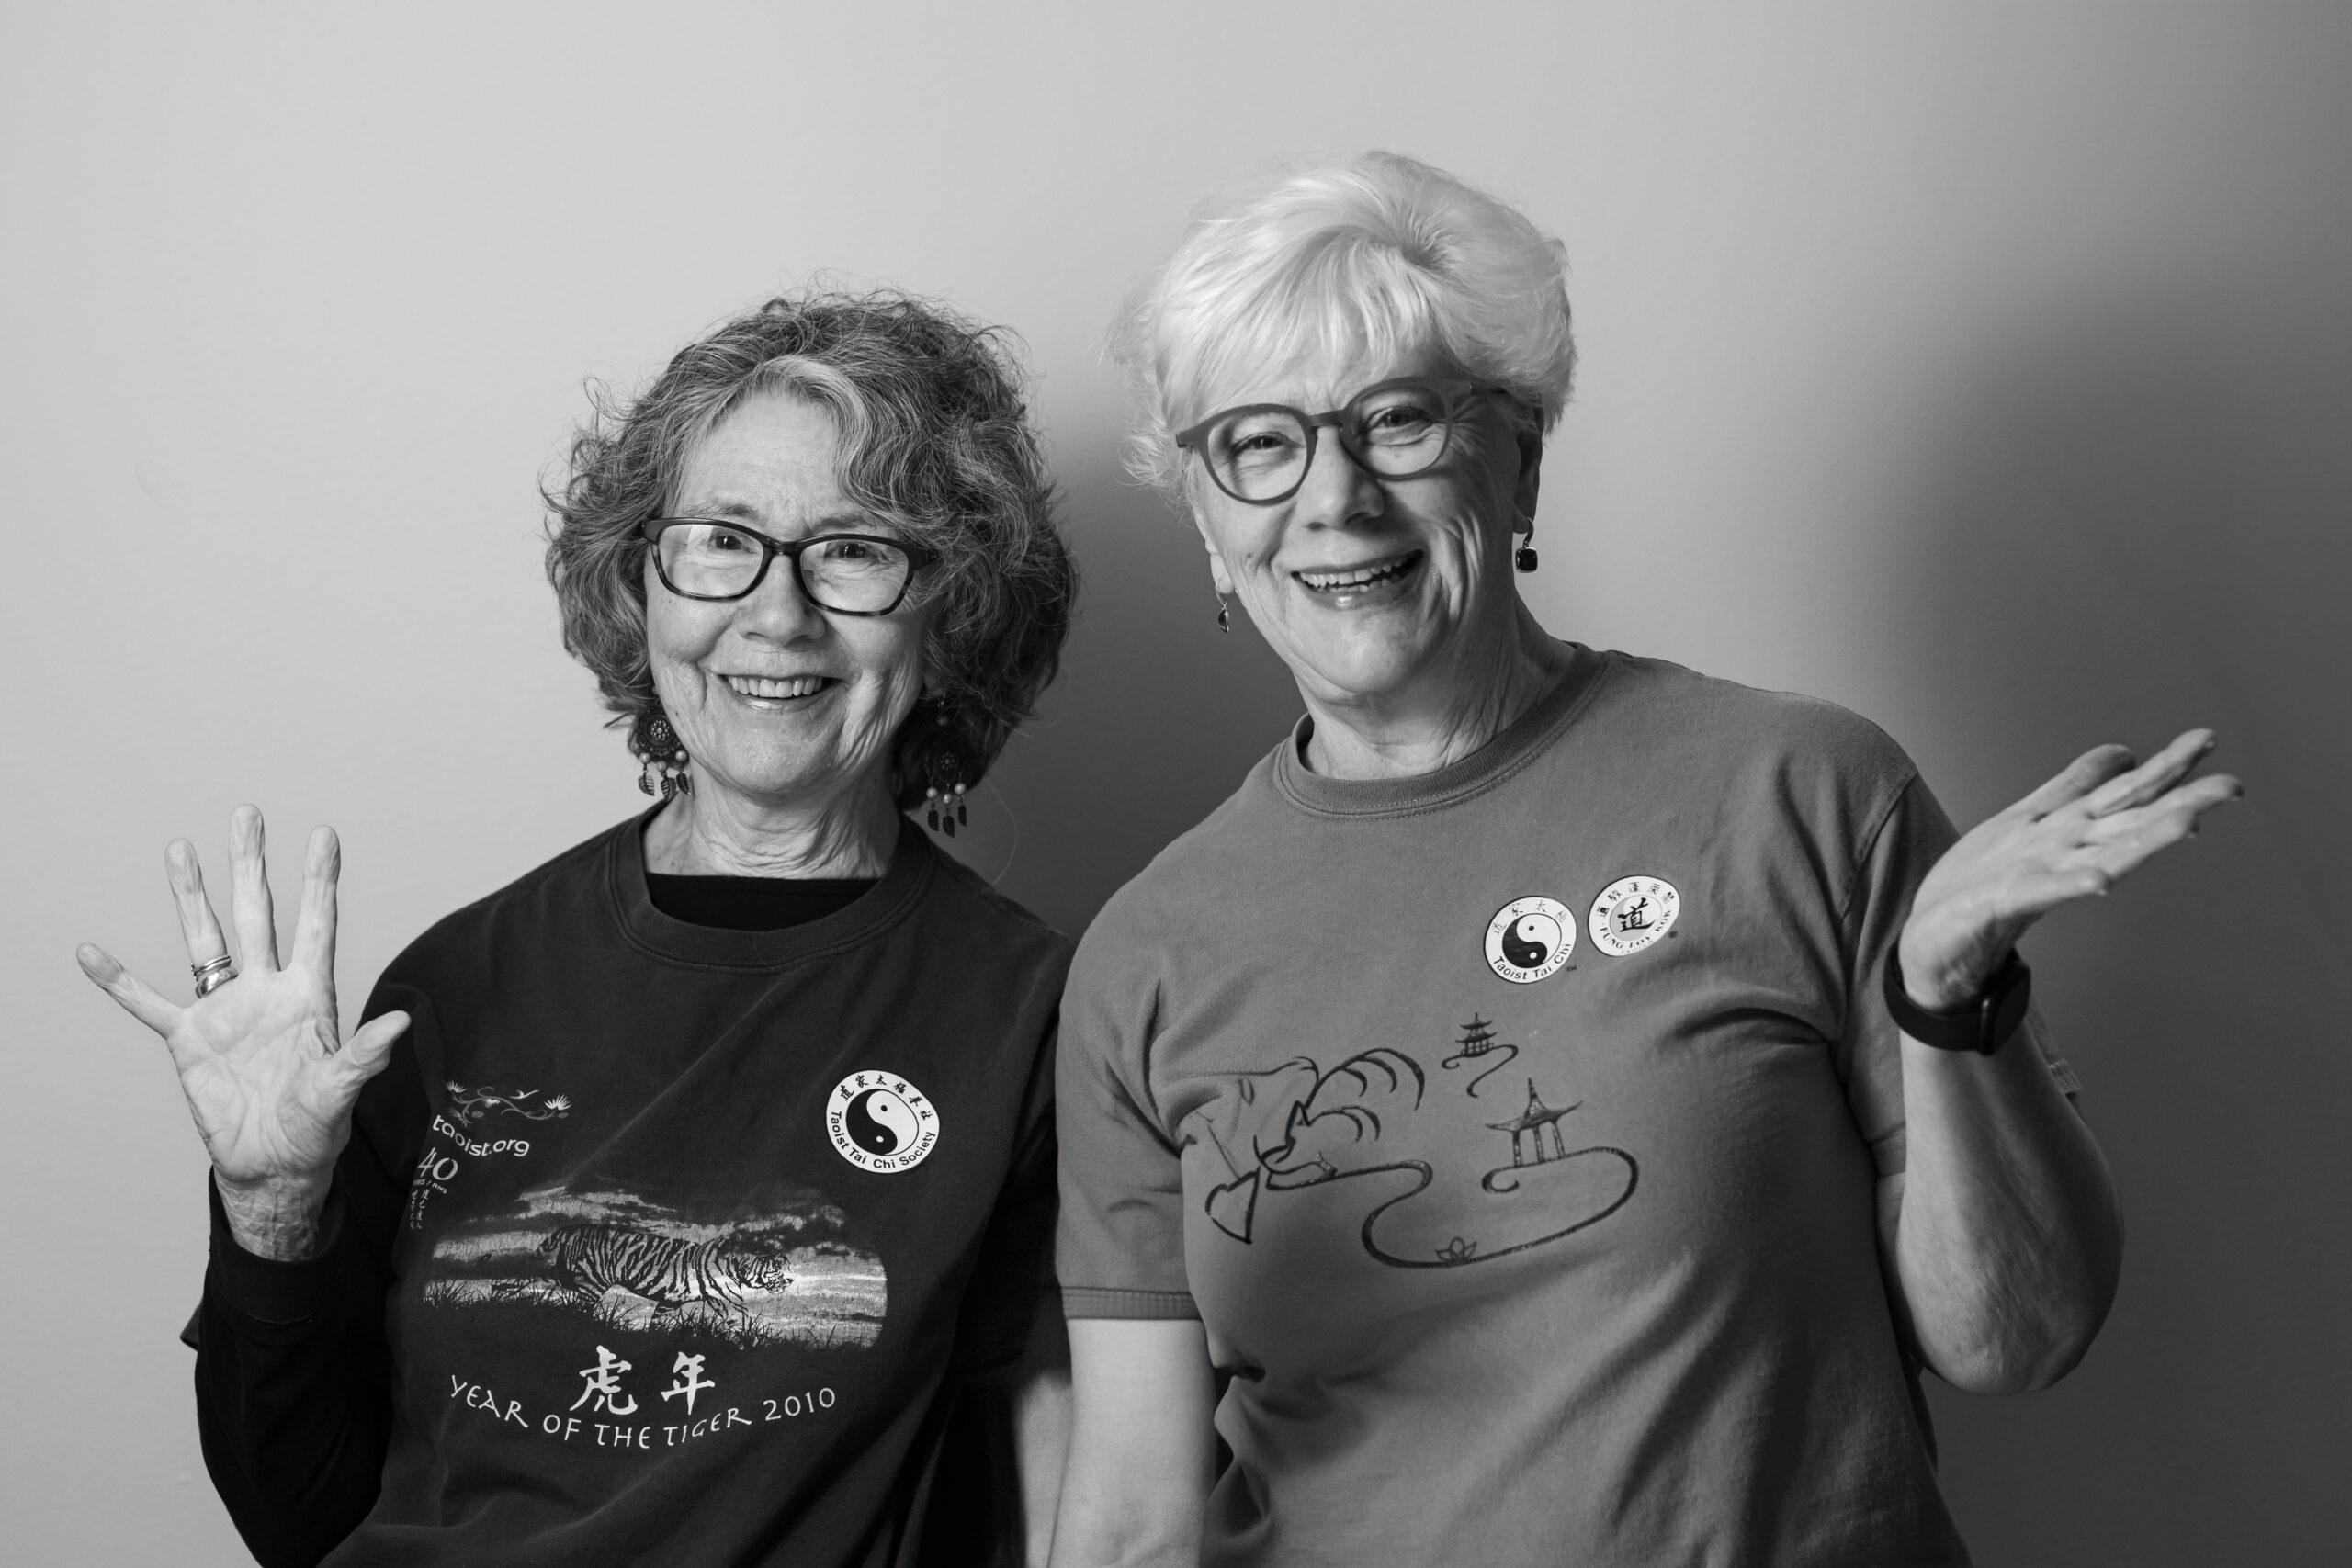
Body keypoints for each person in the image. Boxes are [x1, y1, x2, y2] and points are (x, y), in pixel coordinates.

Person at [1048, 153, 2241, 1566]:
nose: (1337, 497)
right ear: (1207, 526)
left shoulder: (1799, 790)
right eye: (1260, 444)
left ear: (1521, 460)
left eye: (1402, 421)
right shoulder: (1147, 953)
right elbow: (1133, 1513)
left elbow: (2019, 1338)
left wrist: (1947, 1009)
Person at [78, 289, 1080, 1568]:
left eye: (854, 547)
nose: (777, 614)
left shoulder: (1031, 1018)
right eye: (723, 540)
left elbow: (1055, 1505)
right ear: (642, 585)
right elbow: (302, 1515)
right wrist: (270, 1209)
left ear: (951, 612)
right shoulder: (456, 985)